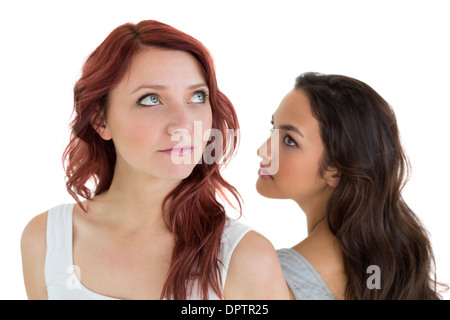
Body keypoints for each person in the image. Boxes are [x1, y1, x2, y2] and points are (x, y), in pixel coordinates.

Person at [21, 20, 289, 300]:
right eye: (151, 99)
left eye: (197, 96)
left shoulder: (246, 258)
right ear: (101, 120)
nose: (184, 124)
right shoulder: (47, 239)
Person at [256, 72, 444, 299]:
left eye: (289, 140)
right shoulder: (394, 260)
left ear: (336, 169)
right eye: (272, 128)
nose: (263, 150)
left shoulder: (272, 278)